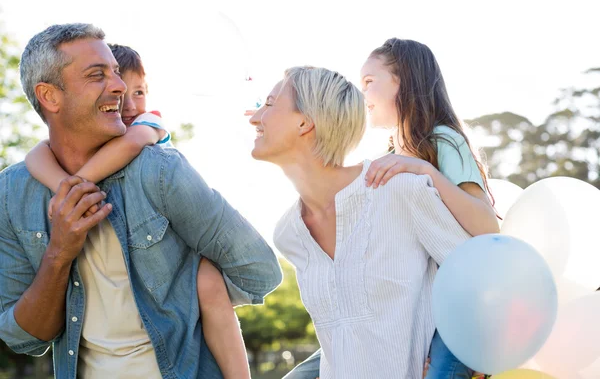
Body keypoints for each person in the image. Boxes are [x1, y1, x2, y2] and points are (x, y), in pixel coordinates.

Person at [0, 23, 282, 379]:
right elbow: (22, 337)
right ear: (50, 97)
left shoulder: (159, 171)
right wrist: (59, 252)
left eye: (117, 73)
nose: (119, 88)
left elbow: (259, 271)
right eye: (97, 75)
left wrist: (197, 291)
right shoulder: (12, 193)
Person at [284, 39, 499, 379]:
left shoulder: (442, 140)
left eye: (369, 82)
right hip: (399, 309)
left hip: (455, 308)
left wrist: (425, 171)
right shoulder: (389, 152)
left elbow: (487, 228)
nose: (362, 93)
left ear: (403, 81)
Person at [248, 65, 472, 378]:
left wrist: (447, 364)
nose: (255, 117)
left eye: (269, 105)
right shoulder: (289, 233)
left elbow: (479, 277)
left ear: (304, 122)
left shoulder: (397, 190)